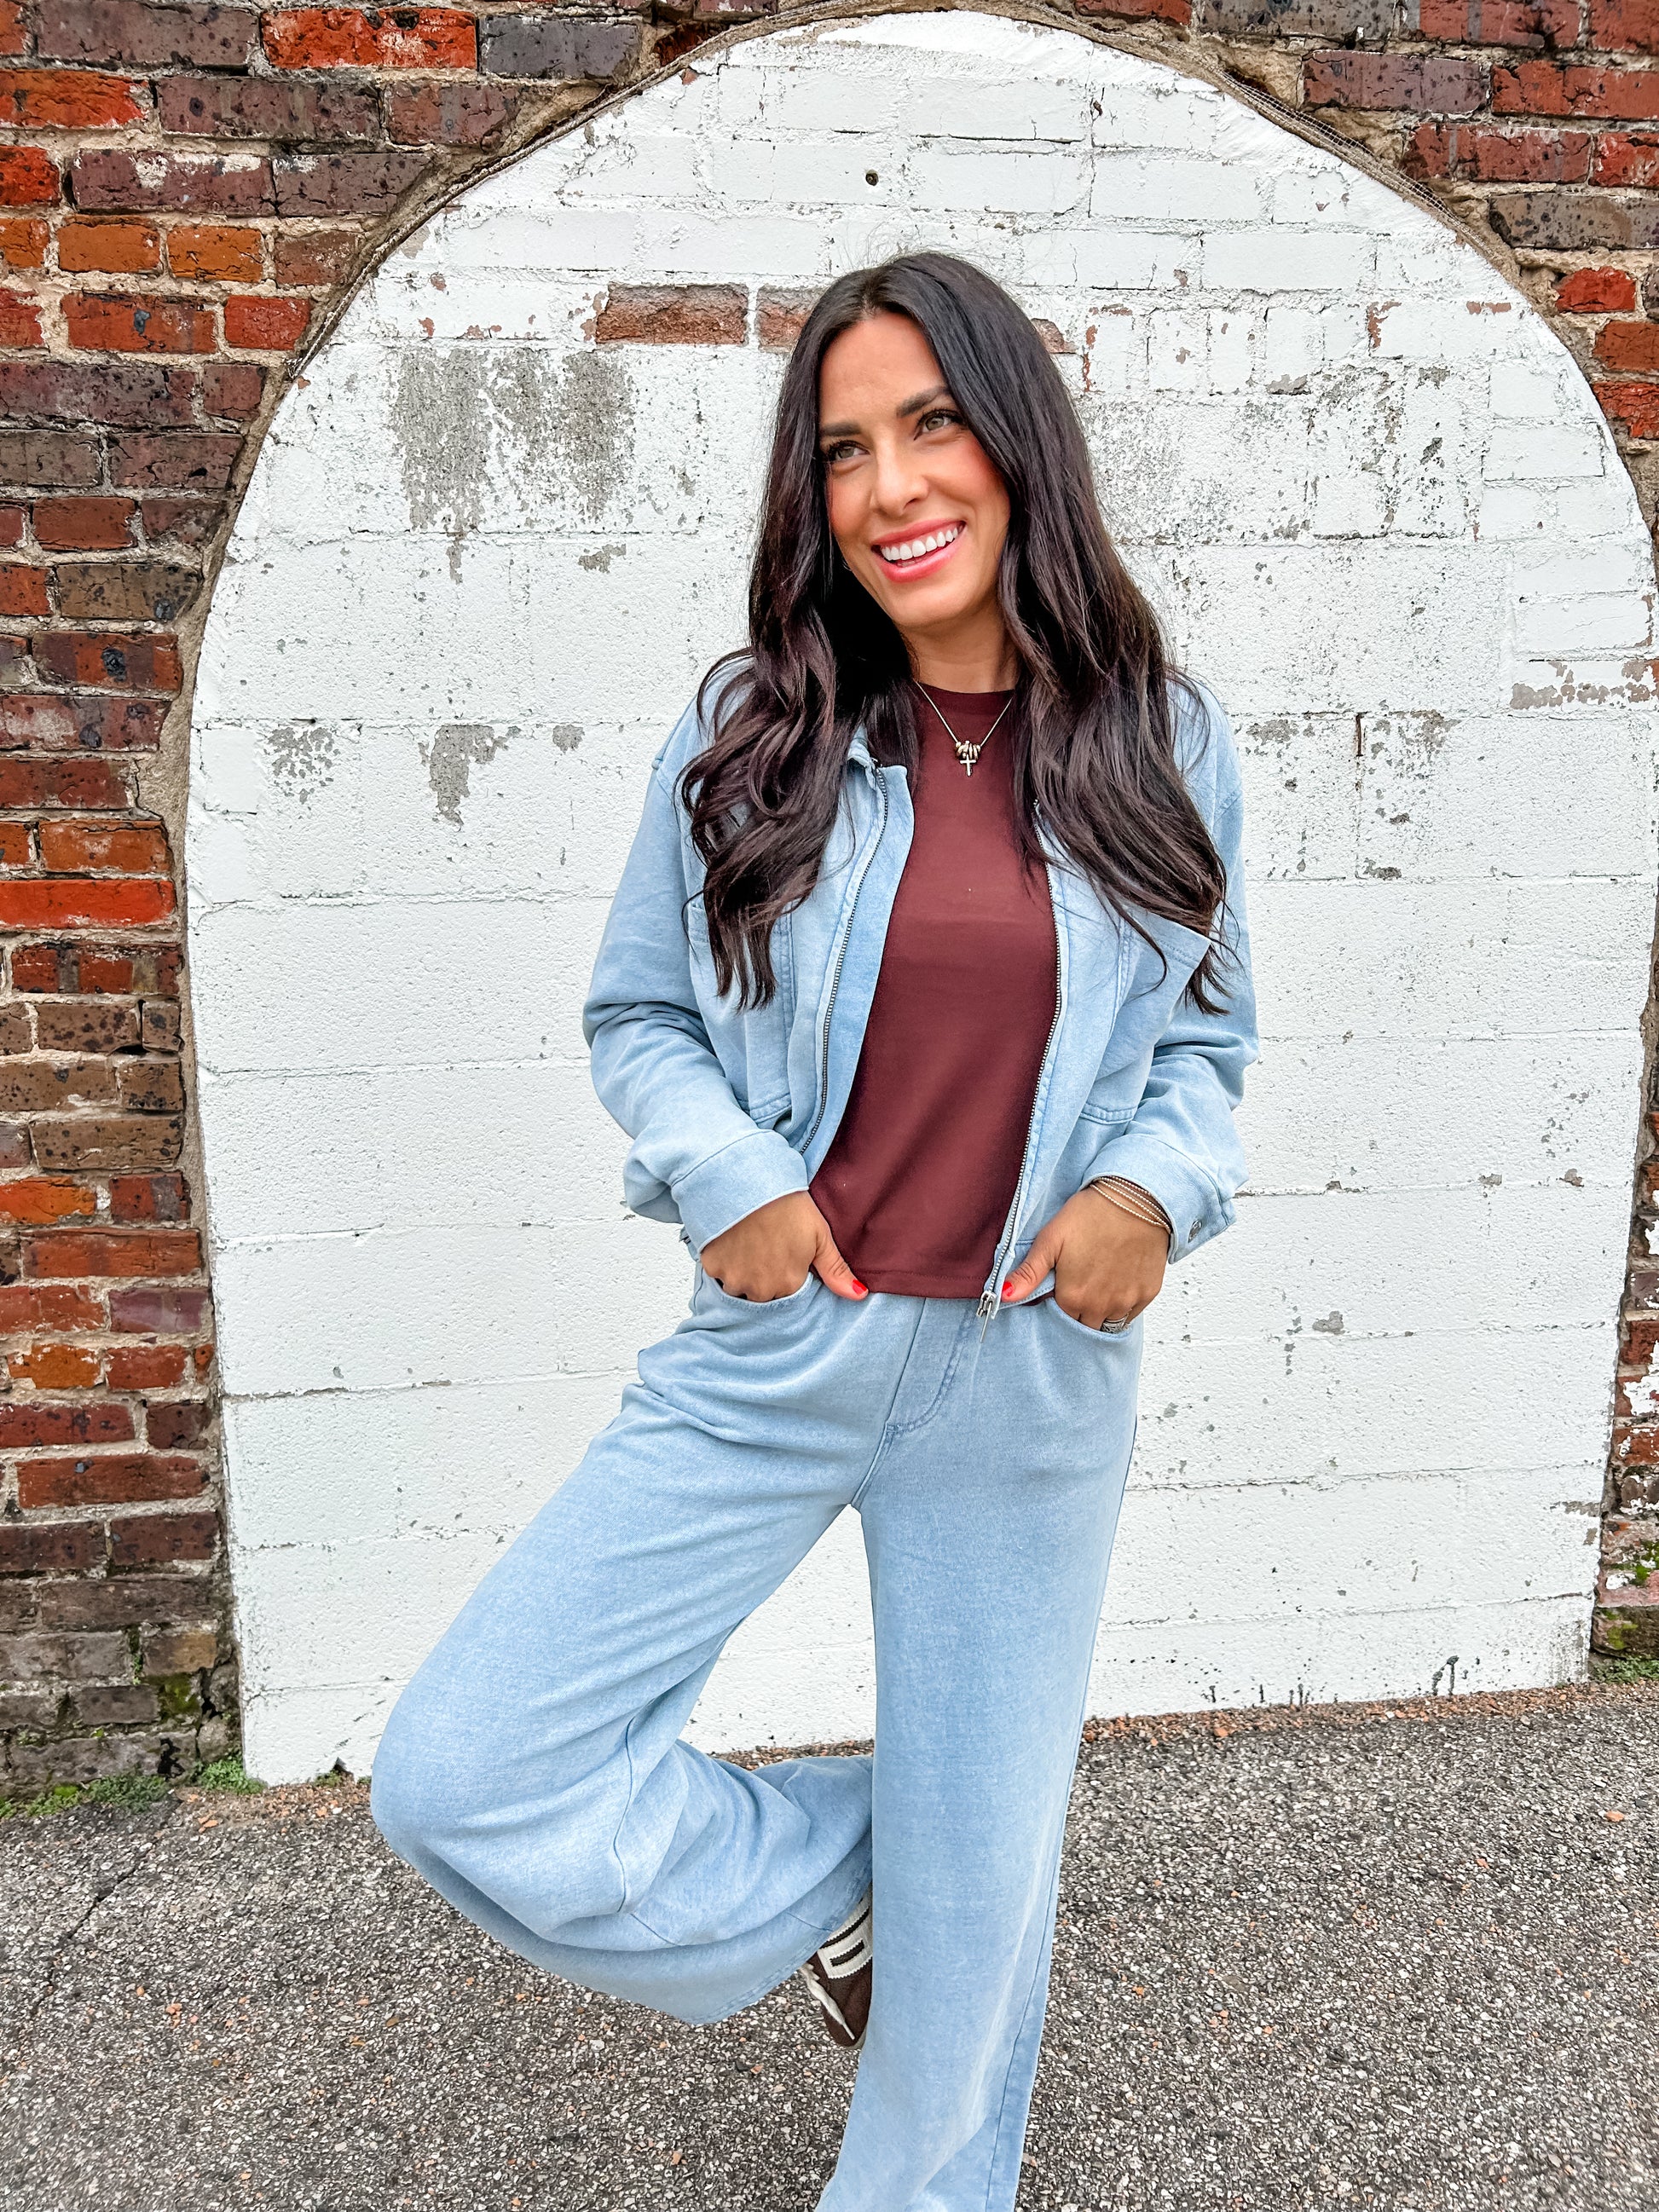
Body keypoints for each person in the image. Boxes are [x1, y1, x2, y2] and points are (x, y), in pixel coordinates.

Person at [371, 250, 1257, 2210]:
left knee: (959, 2010)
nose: (888, 484)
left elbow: (1207, 1043)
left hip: (1029, 1376)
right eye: (843, 448)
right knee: (466, 1773)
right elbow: (639, 1014)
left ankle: (942, 1997)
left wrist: (1148, 1194)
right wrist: (736, 1182)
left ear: (1015, 444)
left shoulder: (1158, 738)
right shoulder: (754, 726)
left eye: (930, 425)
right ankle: (878, 1865)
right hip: (787, 1342)